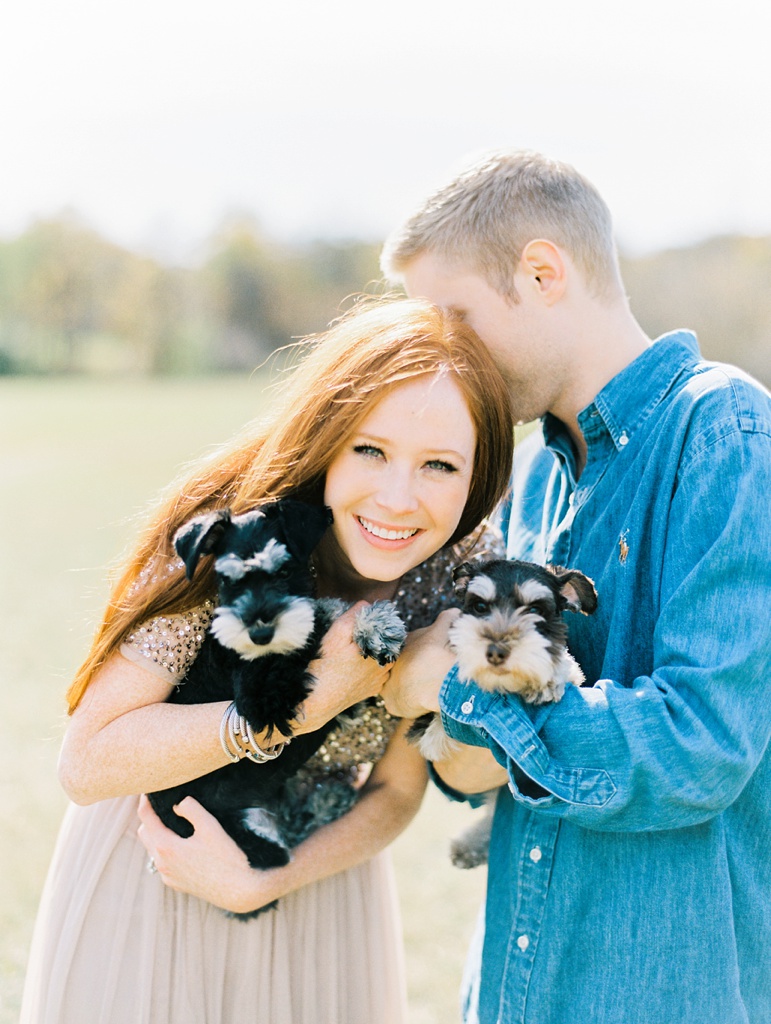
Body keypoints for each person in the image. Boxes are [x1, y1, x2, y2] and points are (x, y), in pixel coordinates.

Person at [20, 297, 514, 1024]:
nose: (397, 498)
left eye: (439, 465)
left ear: (478, 479)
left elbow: (397, 793)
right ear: (327, 439)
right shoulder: (238, 531)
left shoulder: (457, 575)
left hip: (316, 886)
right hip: (159, 869)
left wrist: (266, 880)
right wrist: (304, 702)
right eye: (369, 450)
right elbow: (86, 764)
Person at [379, 150, 771, 1024]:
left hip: (663, 996)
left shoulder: (724, 434)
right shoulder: (530, 475)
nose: (447, 359)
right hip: (523, 989)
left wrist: (449, 685)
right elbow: (487, 765)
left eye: (457, 320)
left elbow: (698, 744)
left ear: (542, 273)